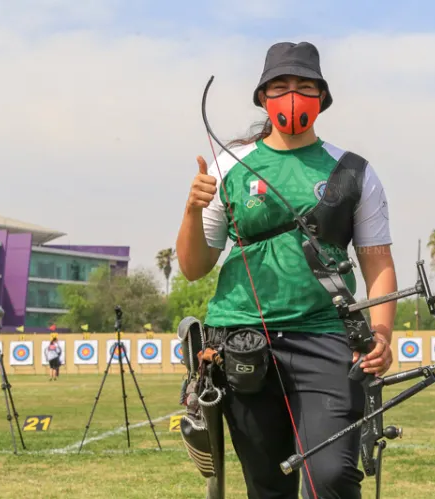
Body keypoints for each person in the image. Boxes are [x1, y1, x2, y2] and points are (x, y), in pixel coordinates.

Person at [176, 41, 396, 498]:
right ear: (262, 97)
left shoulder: (353, 171)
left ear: (321, 98)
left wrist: (381, 335)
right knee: (268, 483)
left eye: (303, 86)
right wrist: (193, 209)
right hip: (243, 341)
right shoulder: (229, 166)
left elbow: (378, 261)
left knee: (332, 475)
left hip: (327, 338)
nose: (291, 95)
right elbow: (194, 266)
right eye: (280, 86)